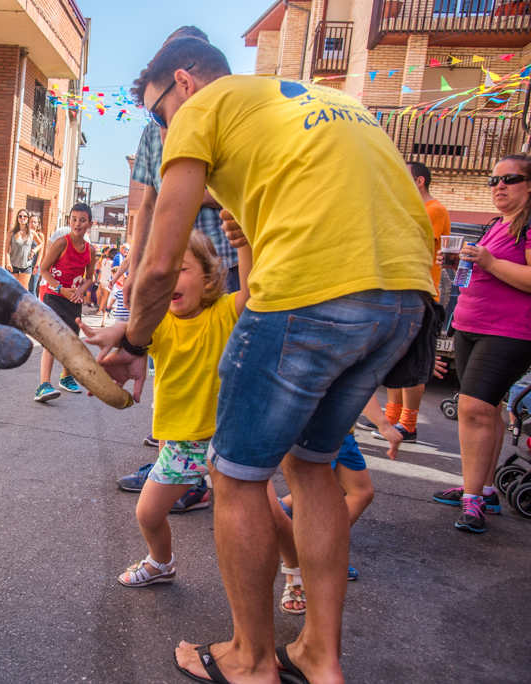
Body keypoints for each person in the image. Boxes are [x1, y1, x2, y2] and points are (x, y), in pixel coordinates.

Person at [104, 37, 434, 683]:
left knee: (235, 478)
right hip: (406, 298)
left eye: (158, 114)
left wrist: (138, 345)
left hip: (312, 293)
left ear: (184, 82)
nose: (162, 128)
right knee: (312, 470)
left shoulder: (200, 111)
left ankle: (251, 659)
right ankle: (319, 654)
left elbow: (160, 262)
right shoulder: (326, 100)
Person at [85, 232, 252, 587]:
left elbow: (254, 294)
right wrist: (112, 334)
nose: (170, 278)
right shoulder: (160, 321)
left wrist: (244, 244)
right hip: (182, 444)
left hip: (230, 439)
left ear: (208, 277)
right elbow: (132, 331)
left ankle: (295, 568)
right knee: (147, 512)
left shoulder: (223, 312)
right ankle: (161, 562)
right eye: (163, 272)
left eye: (183, 268)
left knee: (264, 516)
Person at [431, 156, 531, 534]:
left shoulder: (528, 224)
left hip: (509, 329)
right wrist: (461, 265)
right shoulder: (496, 224)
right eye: (494, 179)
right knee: (488, 411)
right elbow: (483, 273)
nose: (499, 186)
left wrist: (487, 261)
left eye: (510, 178)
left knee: (472, 408)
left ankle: (473, 500)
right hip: (471, 324)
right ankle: (484, 489)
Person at [127, 27, 239, 300]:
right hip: (174, 267)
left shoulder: (231, 118)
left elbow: (250, 189)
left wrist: (188, 196)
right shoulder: (154, 130)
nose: (166, 128)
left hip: (230, 265)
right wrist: (135, 269)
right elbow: (149, 205)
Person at [367, 161, 451, 444]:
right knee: (395, 358)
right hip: (401, 290)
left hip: (422, 294)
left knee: (413, 360)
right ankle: (392, 416)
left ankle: (409, 423)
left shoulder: (434, 209)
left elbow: (412, 241)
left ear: (419, 182)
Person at [33, 203, 97, 401]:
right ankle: (43, 385)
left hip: (73, 299)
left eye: (82, 220)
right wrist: (61, 288)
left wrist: (79, 292)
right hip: (54, 295)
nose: (77, 224)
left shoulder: (90, 250)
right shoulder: (62, 243)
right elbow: (43, 269)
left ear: (90, 224)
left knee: (71, 338)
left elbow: (89, 278)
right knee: (53, 337)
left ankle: (66, 377)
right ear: (69, 221)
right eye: (74, 219)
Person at [4, 209, 43, 289]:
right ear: (17, 218)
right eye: (20, 216)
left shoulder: (31, 232)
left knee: (24, 289)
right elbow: (7, 249)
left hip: (26, 265)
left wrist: (34, 251)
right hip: (13, 264)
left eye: (25, 216)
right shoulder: (12, 232)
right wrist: (7, 262)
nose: (22, 218)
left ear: (28, 218)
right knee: (12, 288)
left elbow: (41, 244)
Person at [28, 214, 44, 295]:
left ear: (38, 224)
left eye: (35, 222)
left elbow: (41, 252)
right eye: (31, 222)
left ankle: (33, 307)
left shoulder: (40, 235)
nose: (33, 224)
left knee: (32, 289)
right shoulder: (26, 233)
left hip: (34, 264)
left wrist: (37, 266)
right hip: (25, 264)